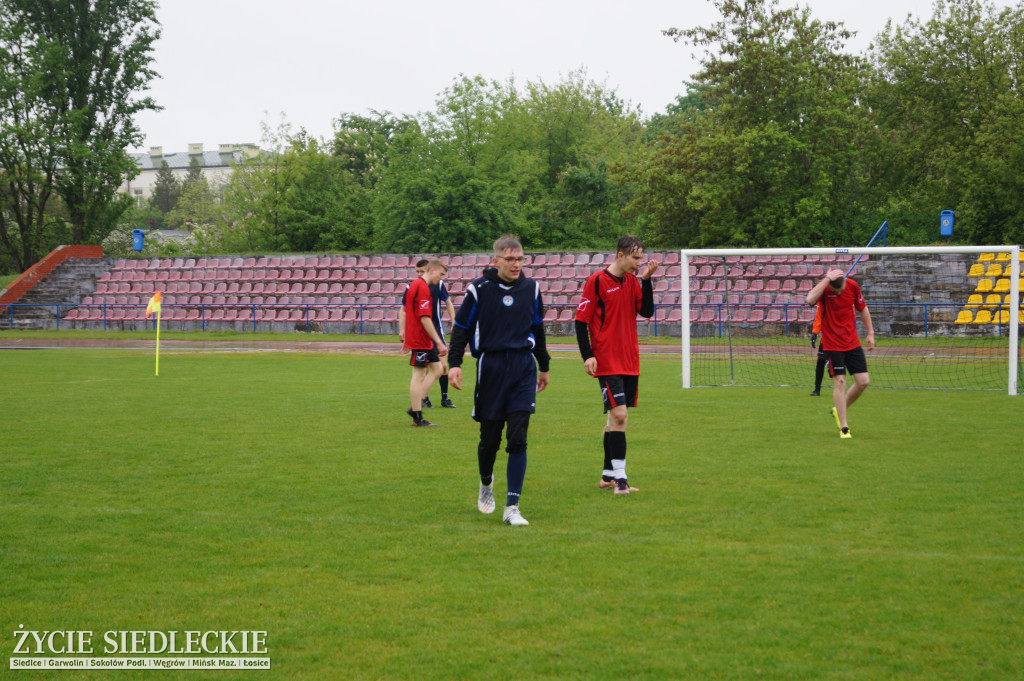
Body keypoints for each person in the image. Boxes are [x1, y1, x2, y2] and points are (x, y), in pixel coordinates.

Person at [448, 235, 550, 526]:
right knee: (489, 440)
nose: (516, 264)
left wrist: (544, 365)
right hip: (490, 367)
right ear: (496, 261)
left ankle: (512, 507)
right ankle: (486, 484)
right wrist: (454, 365)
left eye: (520, 259)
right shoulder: (479, 289)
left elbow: (538, 329)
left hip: (522, 367)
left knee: (518, 438)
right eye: (510, 259)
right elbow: (462, 329)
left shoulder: (532, 288)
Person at [574, 235, 658, 495]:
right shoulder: (597, 281)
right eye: (635, 258)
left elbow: (646, 312)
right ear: (620, 255)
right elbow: (580, 321)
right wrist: (587, 355)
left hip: (630, 360)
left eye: (641, 258)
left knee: (615, 419)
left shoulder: (634, 282)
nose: (638, 262)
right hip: (607, 360)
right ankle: (621, 481)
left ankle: (607, 475)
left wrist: (646, 280)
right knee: (620, 416)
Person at [805, 268, 874, 439]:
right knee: (840, 382)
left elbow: (863, 308)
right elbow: (809, 299)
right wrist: (826, 279)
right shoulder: (824, 289)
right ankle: (844, 427)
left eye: (841, 288)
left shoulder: (852, 286)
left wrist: (870, 333)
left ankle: (839, 409)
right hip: (832, 344)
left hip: (852, 342)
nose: (840, 292)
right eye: (836, 290)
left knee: (863, 381)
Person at [399, 259, 457, 408]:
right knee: (421, 372)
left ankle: (441, 398)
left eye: (421, 271)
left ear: (429, 270)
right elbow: (407, 310)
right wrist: (403, 330)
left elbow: (448, 302)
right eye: (417, 271)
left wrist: (453, 320)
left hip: (434, 329)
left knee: (441, 367)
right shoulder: (415, 286)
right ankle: (419, 405)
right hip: (422, 333)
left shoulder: (437, 284)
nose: (419, 274)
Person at [809, 303, 827, 396]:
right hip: (825, 339)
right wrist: (815, 333)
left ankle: (840, 388)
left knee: (840, 364)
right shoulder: (822, 300)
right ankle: (817, 390)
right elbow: (818, 317)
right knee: (820, 362)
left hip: (839, 338)